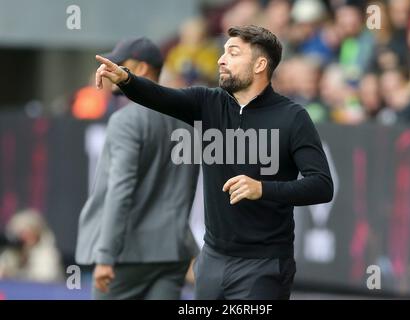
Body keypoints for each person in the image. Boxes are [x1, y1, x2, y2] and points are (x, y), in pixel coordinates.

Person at [95, 26, 333, 300]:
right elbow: (160, 97)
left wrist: (263, 189)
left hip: (264, 265)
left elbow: (322, 185)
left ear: (260, 64)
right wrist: (127, 80)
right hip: (212, 262)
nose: (221, 59)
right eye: (223, 52)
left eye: (232, 53)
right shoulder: (209, 102)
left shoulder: (293, 117)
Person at [76, 37, 199, 300]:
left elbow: (120, 189)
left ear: (141, 69)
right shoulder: (188, 120)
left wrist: (106, 255)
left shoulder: (126, 120)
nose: (110, 69)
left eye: (120, 64)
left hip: (128, 253)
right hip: (174, 251)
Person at [0, 208, 64, 283]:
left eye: (26, 232)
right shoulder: (11, 252)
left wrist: (12, 275)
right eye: (19, 233)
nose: (22, 236)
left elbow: (43, 280)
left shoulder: (47, 254)